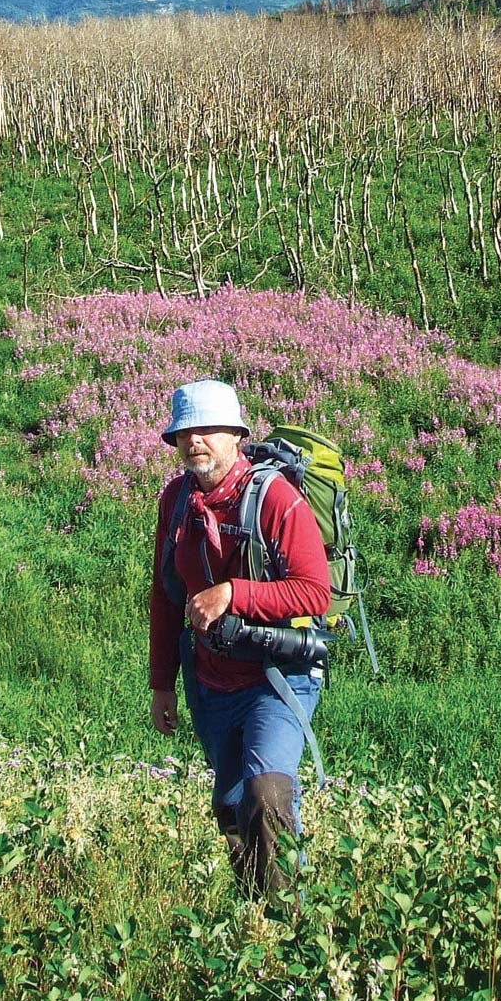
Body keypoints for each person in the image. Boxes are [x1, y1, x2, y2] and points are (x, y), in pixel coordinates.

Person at [148, 378, 330, 897]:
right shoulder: (177, 500)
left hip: (277, 679)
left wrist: (233, 593)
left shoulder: (275, 498)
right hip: (210, 682)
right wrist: (163, 682)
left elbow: (314, 593)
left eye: (207, 429)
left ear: (236, 435)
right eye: (184, 432)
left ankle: (285, 922)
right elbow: (165, 594)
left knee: (267, 793)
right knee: (231, 805)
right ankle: (252, 912)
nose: (194, 441)